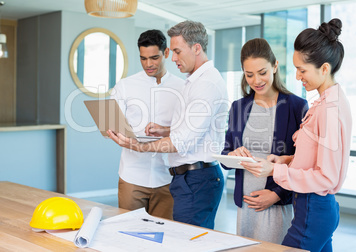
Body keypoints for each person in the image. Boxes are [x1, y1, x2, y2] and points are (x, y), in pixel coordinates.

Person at [241, 18, 352, 252]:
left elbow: (326, 178)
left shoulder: (330, 111)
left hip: (314, 211)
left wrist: (274, 170)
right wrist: (285, 160)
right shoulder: (323, 104)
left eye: (302, 70)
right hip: (311, 209)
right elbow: (316, 157)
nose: (298, 77)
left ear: (324, 68)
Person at [107, 20, 229, 229]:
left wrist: (138, 145)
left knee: (179, 239)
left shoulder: (197, 84)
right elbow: (192, 128)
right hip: (143, 174)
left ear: (196, 48)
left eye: (177, 52)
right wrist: (165, 130)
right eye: (143, 58)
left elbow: (183, 140)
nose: (174, 58)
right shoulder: (193, 82)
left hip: (182, 178)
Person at [221, 38, 308, 243]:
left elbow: (302, 161)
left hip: (277, 204)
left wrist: (276, 194)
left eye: (262, 72)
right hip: (246, 204)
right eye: (249, 74)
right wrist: (232, 155)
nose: (256, 80)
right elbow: (225, 154)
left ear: (275, 66)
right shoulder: (239, 107)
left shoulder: (297, 106)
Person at [109, 29, 184, 219]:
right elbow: (111, 124)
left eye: (154, 57)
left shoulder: (182, 87)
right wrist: (116, 134)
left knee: (164, 237)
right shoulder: (125, 86)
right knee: (129, 234)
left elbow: (186, 131)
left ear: (166, 53)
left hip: (167, 178)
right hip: (132, 176)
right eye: (143, 58)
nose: (148, 64)